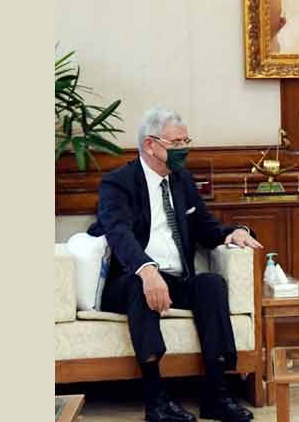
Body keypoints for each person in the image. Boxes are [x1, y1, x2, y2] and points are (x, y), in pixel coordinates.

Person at [88, 107, 263, 422]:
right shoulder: (118, 183)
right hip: (129, 280)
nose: (184, 149)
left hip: (176, 278)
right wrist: (146, 269)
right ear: (150, 145)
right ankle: (156, 402)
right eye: (176, 142)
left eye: (186, 141)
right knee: (142, 287)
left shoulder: (182, 180)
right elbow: (119, 233)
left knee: (211, 284)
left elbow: (207, 229)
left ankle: (216, 394)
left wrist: (235, 232)